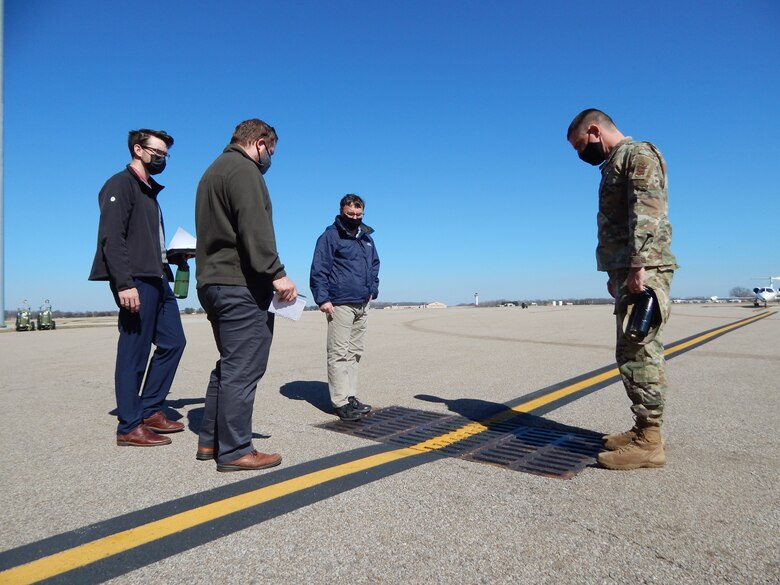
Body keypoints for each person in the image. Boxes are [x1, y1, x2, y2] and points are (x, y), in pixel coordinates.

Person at [567, 109, 678, 470]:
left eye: (581, 145)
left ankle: (650, 442)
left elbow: (647, 211)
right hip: (629, 269)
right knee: (629, 351)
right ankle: (641, 429)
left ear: (595, 131)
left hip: (644, 270)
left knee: (640, 352)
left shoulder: (637, 155)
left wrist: (637, 265)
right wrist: (618, 269)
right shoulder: (616, 162)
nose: (581, 154)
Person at [195, 118, 297, 472]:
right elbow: (254, 227)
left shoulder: (212, 172)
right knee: (244, 366)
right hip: (239, 284)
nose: (270, 158)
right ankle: (236, 450)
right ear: (260, 143)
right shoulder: (243, 170)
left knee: (229, 364)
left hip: (212, 282)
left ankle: (210, 439)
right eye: (271, 151)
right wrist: (277, 273)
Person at [89, 129, 187, 446]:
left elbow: (145, 243)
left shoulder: (149, 192)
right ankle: (129, 426)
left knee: (174, 342)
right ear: (138, 149)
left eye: (166, 154)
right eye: (158, 152)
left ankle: (148, 408)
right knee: (134, 353)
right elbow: (111, 238)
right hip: (136, 281)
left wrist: (175, 256)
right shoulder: (120, 184)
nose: (162, 158)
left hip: (158, 278)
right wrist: (123, 283)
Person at [310, 194, 380, 421]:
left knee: (354, 353)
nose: (355, 218)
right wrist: (323, 299)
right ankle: (340, 402)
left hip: (362, 303)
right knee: (338, 354)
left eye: (359, 214)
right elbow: (319, 269)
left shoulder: (366, 238)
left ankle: (351, 396)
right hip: (339, 304)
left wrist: (373, 290)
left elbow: (375, 265)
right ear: (342, 211)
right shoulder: (330, 236)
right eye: (350, 214)